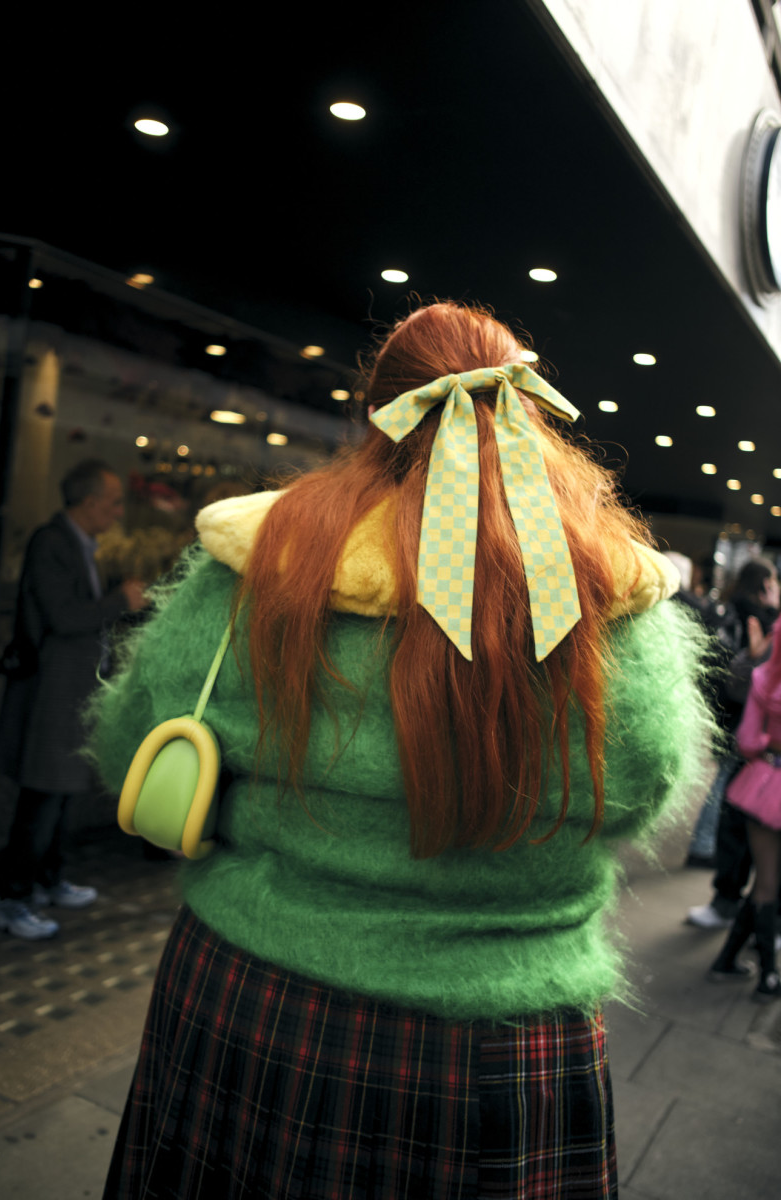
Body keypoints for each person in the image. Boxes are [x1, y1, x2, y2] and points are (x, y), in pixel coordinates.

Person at [89, 301, 713, 1199]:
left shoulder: (257, 560)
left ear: (374, 415)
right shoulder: (613, 596)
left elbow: (128, 750)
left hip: (250, 999)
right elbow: (648, 789)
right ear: (531, 405)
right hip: (503, 1039)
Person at [0, 459, 146, 940]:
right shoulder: (52, 541)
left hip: (71, 690)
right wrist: (121, 600)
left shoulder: (78, 544)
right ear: (90, 500)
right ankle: (11, 899)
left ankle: (47, 881)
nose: (118, 512)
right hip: (51, 693)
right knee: (43, 795)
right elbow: (64, 616)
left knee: (58, 794)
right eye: (114, 501)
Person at [686, 558, 779, 922]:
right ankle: (735, 909)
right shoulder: (761, 621)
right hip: (756, 748)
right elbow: (744, 681)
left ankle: (746, 918)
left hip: (753, 745)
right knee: (736, 826)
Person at [708, 616, 781, 1001]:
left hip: (766, 780)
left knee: (763, 882)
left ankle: (733, 962)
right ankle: (768, 975)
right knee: (771, 884)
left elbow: (748, 741)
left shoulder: (765, 679)